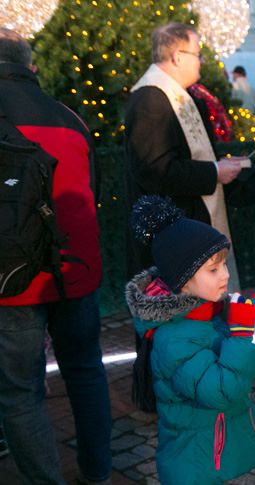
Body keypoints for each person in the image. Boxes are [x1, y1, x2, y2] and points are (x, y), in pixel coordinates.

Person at [0, 28, 112, 484]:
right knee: (86, 371)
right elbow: (95, 189)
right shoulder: (70, 117)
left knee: (19, 392)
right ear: (32, 68)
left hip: (12, 280)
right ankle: (98, 472)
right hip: (76, 269)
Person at [125, 195, 255, 485]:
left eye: (224, 264)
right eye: (213, 269)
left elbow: (224, 354)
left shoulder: (203, 314)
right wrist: (241, 331)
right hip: (192, 469)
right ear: (182, 281)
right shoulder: (173, 338)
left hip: (208, 458)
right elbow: (220, 390)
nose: (226, 275)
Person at [124, 22, 246, 289]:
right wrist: (214, 172)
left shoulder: (179, 95)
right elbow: (154, 169)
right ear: (178, 57)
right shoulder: (151, 99)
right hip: (170, 235)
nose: (201, 61)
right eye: (197, 54)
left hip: (186, 228)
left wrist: (218, 164)